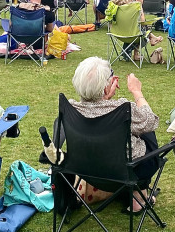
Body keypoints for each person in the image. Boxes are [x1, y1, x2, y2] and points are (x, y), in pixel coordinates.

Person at [68, 56, 160, 212]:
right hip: (126, 173)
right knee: (146, 131)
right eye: (111, 75)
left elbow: (95, 108)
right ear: (105, 88)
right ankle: (139, 197)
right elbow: (151, 121)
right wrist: (137, 92)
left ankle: (136, 194)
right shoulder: (122, 108)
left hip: (87, 170)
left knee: (135, 129)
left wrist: (104, 98)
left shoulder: (71, 108)